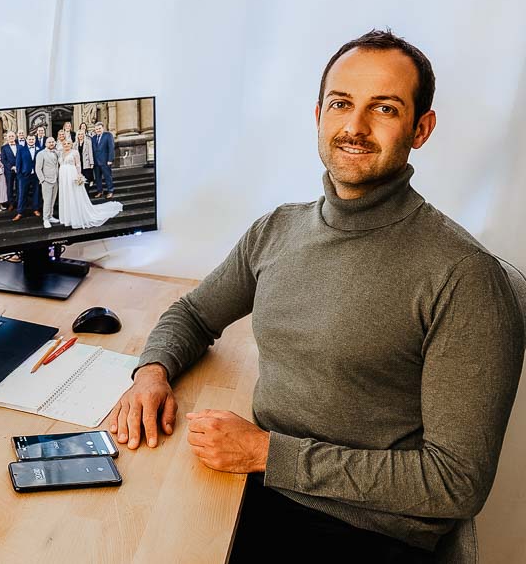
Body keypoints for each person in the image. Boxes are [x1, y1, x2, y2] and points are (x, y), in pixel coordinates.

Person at [108, 30, 525, 562]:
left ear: (421, 129)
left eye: (385, 108)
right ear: (318, 115)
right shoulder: (277, 230)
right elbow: (192, 313)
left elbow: (454, 482)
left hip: (359, 530)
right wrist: (151, 373)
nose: (355, 126)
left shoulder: (464, 277)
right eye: (341, 104)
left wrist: (266, 453)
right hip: (252, 489)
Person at [57, 138, 123, 229]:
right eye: (64, 144)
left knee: (74, 194)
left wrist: (79, 175)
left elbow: (78, 164)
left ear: (71, 144)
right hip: (63, 177)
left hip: (72, 174)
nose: (66, 145)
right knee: (66, 194)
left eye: (68, 143)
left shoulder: (75, 152)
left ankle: (76, 215)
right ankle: (67, 216)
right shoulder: (61, 153)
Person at [13, 135, 42, 221]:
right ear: (26, 140)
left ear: (35, 140)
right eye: (29, 139)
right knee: (22, 194)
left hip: (35, 175)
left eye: (33, 139)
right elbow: (18, 163)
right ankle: (20, 212)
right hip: (24, 175)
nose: (31, 140)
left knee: (36, 193)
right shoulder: (21, 149)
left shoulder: (39, 149)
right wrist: (19, 175)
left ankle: (36, 209)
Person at [35, 137, 61, 228]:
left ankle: (50, 216)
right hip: (46, 181)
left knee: (53, 200)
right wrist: (42, 180)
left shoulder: (57, 152)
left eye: (53, 142)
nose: (51, 143)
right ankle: (45, 219)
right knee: (47, 200)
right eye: (49, 142)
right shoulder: (41, 154)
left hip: (56, 180)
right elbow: (38, 168)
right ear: (46, 144)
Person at [92, 122, 115, 199]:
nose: (98, 130)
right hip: (96, 162)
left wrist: (110, 159)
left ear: (102, 128)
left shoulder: (108, 135)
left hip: (105, 161)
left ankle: (110, 191)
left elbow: (111, 148)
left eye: (99, 128)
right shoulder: (93, 138)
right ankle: (100, 191)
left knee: (107, 176)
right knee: (97, 178)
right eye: (96, 129)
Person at [0, 131, 18, 211]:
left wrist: (18, 167)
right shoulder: (4, 148)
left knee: (19, 187)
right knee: (9, 187)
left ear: (15, 137)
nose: (11, 137)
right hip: (9, 170)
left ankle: (18, 202)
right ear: (7, 138)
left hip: (19, 170)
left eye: (12, 136)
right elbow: (3, 160)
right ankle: (11, 203)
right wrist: (11, 167)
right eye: (9, 136)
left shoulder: (20, 146)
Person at [77, 122, 94, 186]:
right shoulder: (75, 144)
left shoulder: (88, 142)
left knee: (86, 178)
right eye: (79, 134)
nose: (80, 136)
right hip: (79, 162)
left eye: (81, 134)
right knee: (81, 179)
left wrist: (91, 163)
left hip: (86, 161)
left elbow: (90, 153)